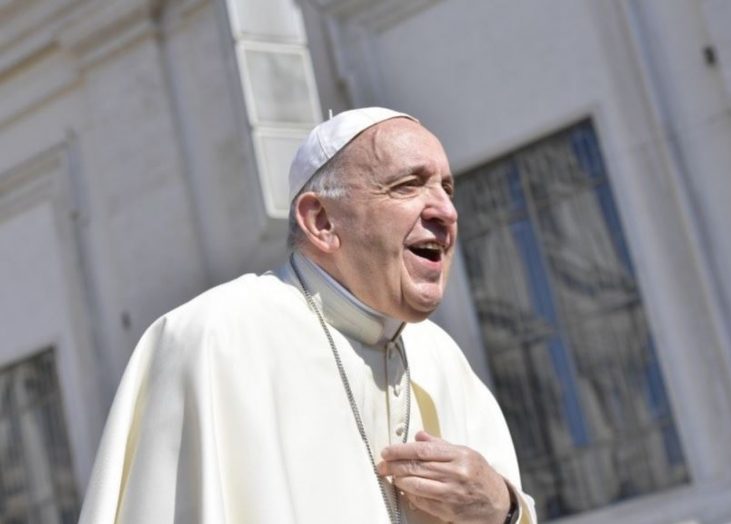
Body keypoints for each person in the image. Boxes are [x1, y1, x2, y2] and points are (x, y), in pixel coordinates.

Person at [79, 107, 536, 523]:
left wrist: (503, 508)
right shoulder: (214, 338)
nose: (446, 211)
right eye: (408, 185)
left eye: (447, 188)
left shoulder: (442, 359)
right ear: (321, 221)